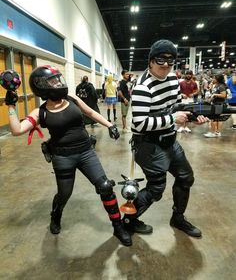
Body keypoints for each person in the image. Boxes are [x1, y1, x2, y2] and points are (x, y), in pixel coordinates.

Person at [3, 65, 132, 247]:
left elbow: (90, 112)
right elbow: (17, 130)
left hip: (86, 152)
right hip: (62, 158)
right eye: (53, 80)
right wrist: (11, 106)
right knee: (64, 194)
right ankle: (56, 215)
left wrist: (110, 125)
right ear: (42, 86)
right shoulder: (41, 112)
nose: (58, 82)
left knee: (105, 187)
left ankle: (118, 226)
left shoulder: (71, 99)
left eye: (58, 78)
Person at [122, 39, 208, 238]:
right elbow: (140, 123)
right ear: (151, 61)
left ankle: (177, 218)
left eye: (171, 61)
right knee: (156, 189)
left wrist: (193, 118)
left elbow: (178, 107)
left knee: (186, 178)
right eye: (161, 60)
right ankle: (127, 221)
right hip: (149, 146)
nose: (166, 65)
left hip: (170, 141)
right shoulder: (143, 87)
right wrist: (172, 118)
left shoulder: (172, 80)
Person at [204, 73, 227, 138]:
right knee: (216, 118)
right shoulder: (217, 85)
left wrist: (214, 95)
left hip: (219, 104)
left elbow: (223, 95)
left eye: (214, 78)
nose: (213, 79)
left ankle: (213, 132)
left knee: (214, 118)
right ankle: (216, 132)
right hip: (216, 103)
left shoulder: (221, 86)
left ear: (217, 79)